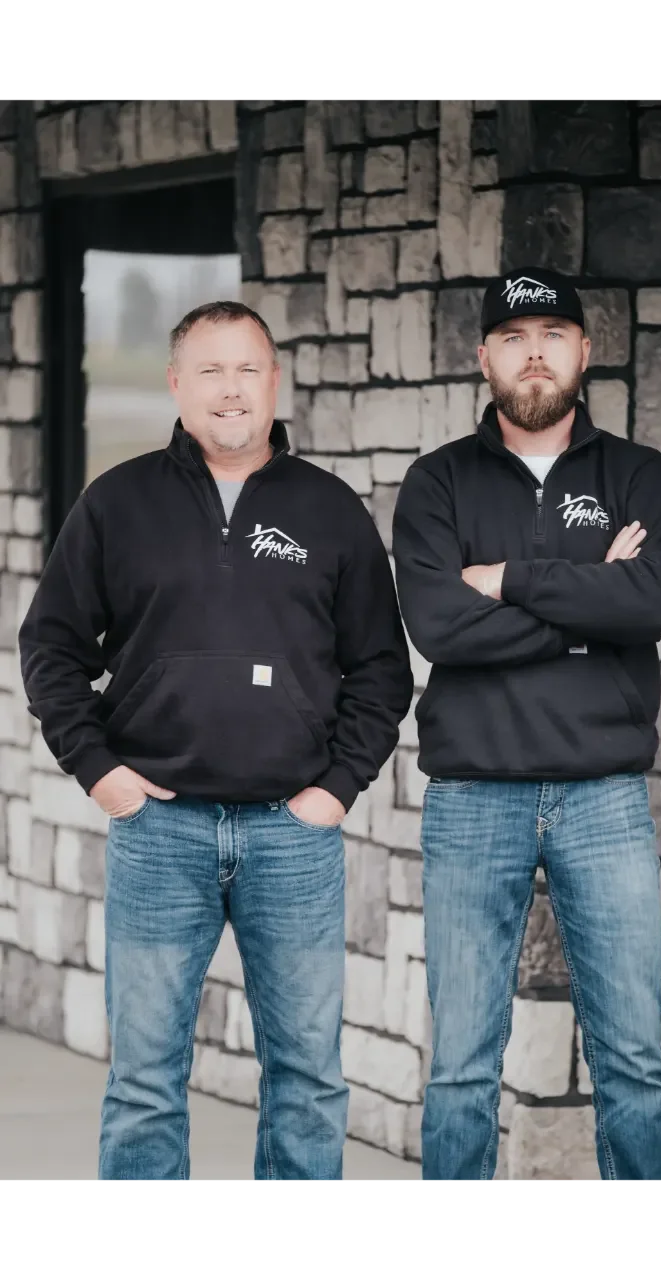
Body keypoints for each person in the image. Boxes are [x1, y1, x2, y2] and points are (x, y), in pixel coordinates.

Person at [20, 300, 413, 1184]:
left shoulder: (329, 509)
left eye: (247, 369)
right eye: (210, 369)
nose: (230, 389)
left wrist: (337, 787)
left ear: (274, 382)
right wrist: (98, 769)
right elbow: (50, 647)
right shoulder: (117, 503)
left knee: (308, 1080)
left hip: (291, 835)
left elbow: (382, 669)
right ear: (176, 384)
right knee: (146, 1082)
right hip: (162, 833)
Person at [392, 267, 661, 1184]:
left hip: (602, 797)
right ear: (483, 356)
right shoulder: (438, 481)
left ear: (583, 351)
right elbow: (439, 625)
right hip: (474, 796)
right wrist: (585, 592)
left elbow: (647, 608)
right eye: (514, 336)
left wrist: (509, 578)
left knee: (634, 1063)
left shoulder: (636, 474)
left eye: (553, 333)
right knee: (460, 1071)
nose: (535, 352)